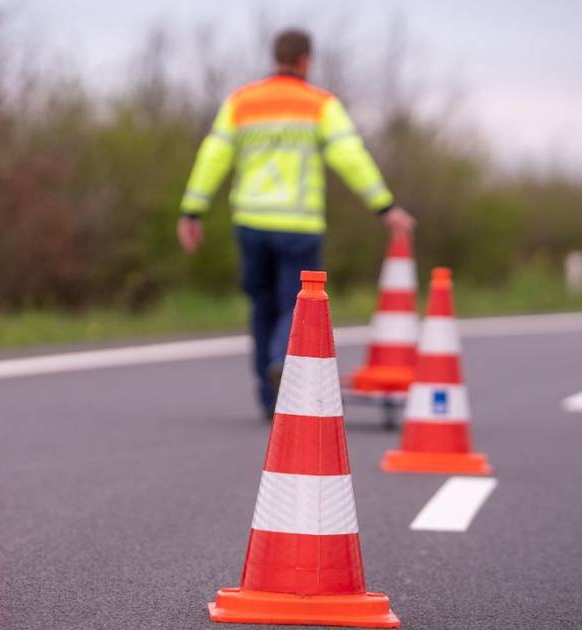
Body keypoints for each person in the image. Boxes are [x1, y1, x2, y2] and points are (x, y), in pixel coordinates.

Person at [177, 28, 414, 419]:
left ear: (276, 56)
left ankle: (268, 399)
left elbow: (213, 155)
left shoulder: (242, 101)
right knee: (295, 302)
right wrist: (384, 207)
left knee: (261, 305)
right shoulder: (319, 104)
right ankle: (278, 365)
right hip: (298, 225)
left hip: (251, 222)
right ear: (305, 59)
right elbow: (350, 157)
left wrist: (192, 210)